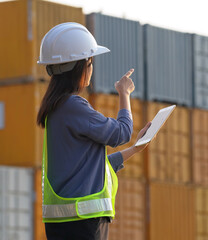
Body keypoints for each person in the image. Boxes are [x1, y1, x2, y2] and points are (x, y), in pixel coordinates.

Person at [36, 22, 151, 240]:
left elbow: (92, 166)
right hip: (83, 224)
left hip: (66, 225)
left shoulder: (56, 110)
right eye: (90, 62)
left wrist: (135, 149)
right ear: (81, 67)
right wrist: (124, 92)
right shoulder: (73, 106)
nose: (92, 68)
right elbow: (121, 133)